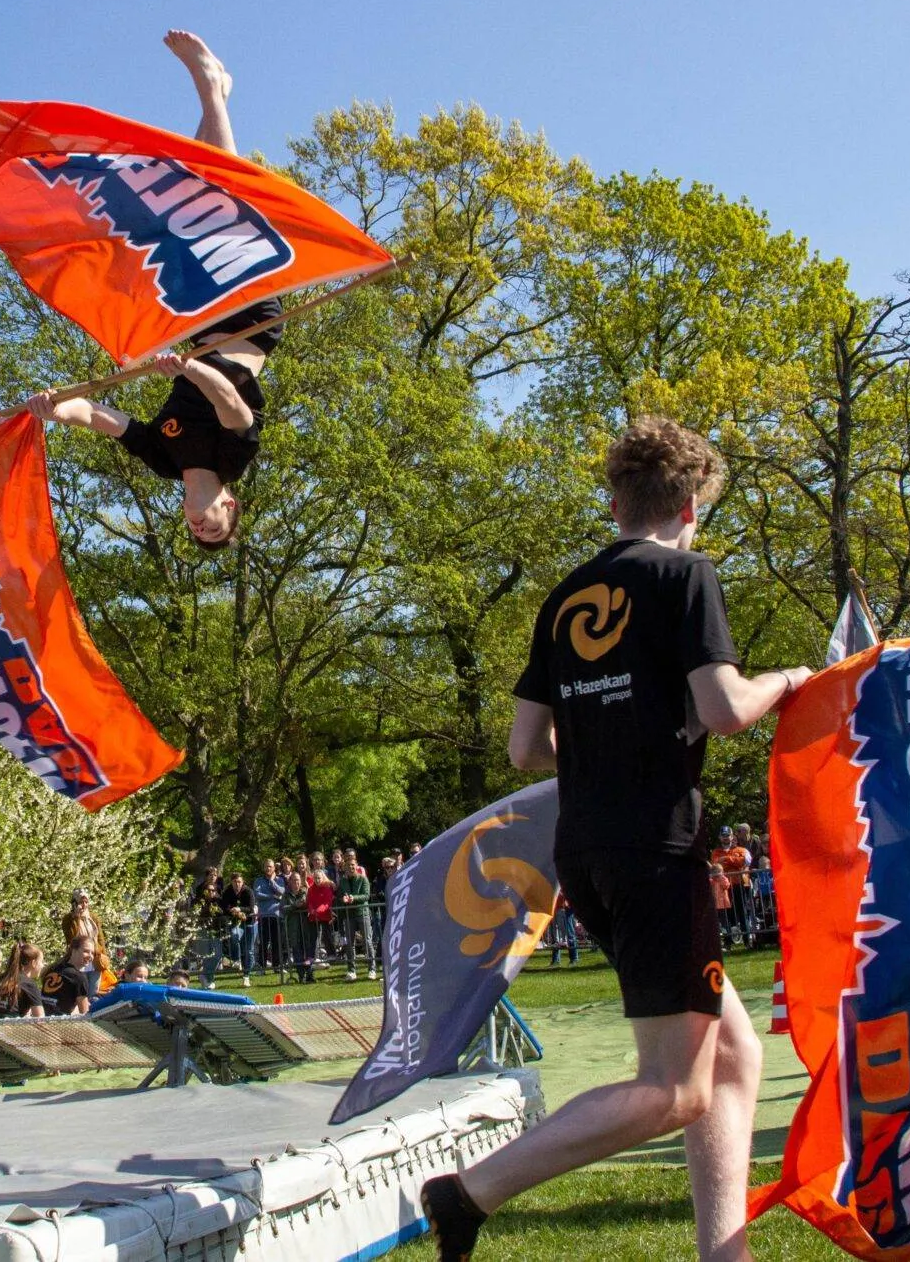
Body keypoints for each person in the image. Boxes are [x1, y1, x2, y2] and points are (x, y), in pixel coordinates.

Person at [419, 415, 812, 1262]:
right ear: (688, 504)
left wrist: (602, 758)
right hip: (656, 850)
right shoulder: (687, 574)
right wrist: (795, 680)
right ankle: (468, 1193)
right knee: (672, 1089)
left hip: (585, 853)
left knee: (734, 1050)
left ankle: (725, 1251)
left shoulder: (563, 596)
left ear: (614, 503)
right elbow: (725, 709)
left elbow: (525, 746)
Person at [25, 31, 283, 551]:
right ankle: (211, 87)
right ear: (229, 504)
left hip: (191, 322)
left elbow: (106, 419)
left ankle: (217, 94)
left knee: (184, 202)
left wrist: (55, 408)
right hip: (246, 321)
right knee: (215, 203)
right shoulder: (233, 458)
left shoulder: (167, 462)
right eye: (214, 527)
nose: (200, 527)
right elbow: (232, 402)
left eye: (196, 533)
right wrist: (192, 369)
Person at [337, 860, 375, 981]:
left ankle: (372, 969)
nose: (351, 867)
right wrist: (343, 898)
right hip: (349, 915)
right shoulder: (342, 881)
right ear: (345, 868)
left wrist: (354, 898)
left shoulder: (363, 879)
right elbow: (339, 895)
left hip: (362, 913)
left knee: (367, 941)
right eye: (348, 866)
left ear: (356, 866)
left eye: (353, 865)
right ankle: (352, 970)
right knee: (350, 943)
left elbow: (366, 895)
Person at [40, 935, 95, 1016]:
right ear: (74, 950)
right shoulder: (79, 977)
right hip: (60, 1024)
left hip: (42, 1019)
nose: (90, 956)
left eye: (92, 953)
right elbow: (85, 1014)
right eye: (86, 951)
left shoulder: (53, 968)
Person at [221, 871, 256, 987]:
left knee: (249, 950)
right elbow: (224, 906)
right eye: (235, 882)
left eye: (239, 882)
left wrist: (239, 909)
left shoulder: (248, 891)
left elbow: (251, 907)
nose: (237, 884)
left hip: (250, 922)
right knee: (234, 935)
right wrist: (233, 911)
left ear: (243, 882)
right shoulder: (227, 891)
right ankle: (237, 959)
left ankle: (247, 975)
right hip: (236, 922)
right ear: (231, 882)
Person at [252, 859, 285, 977]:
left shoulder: (280, 880)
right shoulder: (259, 881)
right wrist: (272, 896)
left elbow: (282, 892)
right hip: (264, 916)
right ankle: (261, 967)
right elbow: (257, 894)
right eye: (266, 866)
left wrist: (272, 882)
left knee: (277, 942)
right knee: (263, 943)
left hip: (276, 915)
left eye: (270, 866)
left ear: (274, 868)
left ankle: (277, 966)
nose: (268, 868)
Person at [303, 867, 335, 983]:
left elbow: (327, 902)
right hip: (313, 916)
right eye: (315, 878)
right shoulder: (311, 889)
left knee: (327, 935)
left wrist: (318, 910)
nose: (317, 880)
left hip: (324, 915)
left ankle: (331, 953)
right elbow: (309, 901)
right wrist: (311, 910)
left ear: (323, 878)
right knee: (313, 937)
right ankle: (311, 956)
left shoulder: (327, 888)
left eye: (319, 878)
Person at [0, 943, 47, 1017]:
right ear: (34, 963)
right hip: (13, 1027)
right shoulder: (30, 985)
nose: (43, 965)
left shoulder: (1, 978)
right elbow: (40, 1019)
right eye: (41, 961)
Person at [282, 860, 310, 983]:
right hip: (293, 928)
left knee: (308, 951)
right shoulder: (286, 895)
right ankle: (301, 975)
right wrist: (295, 906)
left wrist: (295, 906)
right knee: (297, 952)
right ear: (290, 882)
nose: (296, 883)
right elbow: (283, 908)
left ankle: (310, 974)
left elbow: (304, 902)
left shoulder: (304, 892)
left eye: (298, 880)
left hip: (305, 926)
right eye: (294, 880)